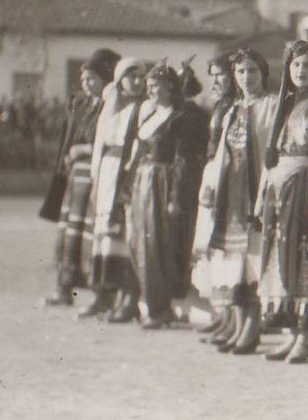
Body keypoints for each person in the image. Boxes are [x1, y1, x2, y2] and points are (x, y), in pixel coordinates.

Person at [258, 40, 308, 364]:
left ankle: (306, 336)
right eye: (295, 65)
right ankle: (291, 333)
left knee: (306, 258)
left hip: (306, 184)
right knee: (282, 257)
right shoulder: (287, 104)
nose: (301, 71)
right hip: (280, 185)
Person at [192, 48, 276, 354]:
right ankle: (238, 324)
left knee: (252, 260)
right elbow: (223, 154)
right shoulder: (234, 109)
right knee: (233, 261)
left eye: (252, 71)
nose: (246, 77)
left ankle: (252, 327)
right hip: (232, 191)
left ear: (263, 73)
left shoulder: (272, 105)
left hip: (256, 190)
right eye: (240, 72)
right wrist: (212, 185)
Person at [125, 63, 209, 328]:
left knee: (157, 245)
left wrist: (175, 196)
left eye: (155, 85)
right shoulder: (150, 115)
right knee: (139, 241)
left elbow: (184, 160)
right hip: (143, 182)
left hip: (163, 183)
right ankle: (149, 302)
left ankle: (160, 306)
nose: (149, 90)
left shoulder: (179, 118)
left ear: (170, 86)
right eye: (148, 85)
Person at [45, 48, 119, 306]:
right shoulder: (82, 105)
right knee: (69, 233)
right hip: (75, 178)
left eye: (92, 79)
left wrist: (84, 150)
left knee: (90, 234)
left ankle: (100, 293)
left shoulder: (113, 106)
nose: (87, 84)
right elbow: (70, 136)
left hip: (95, 176)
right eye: (84, 79)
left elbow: (108, 141)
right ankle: (64, 290)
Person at [84, 57, 147, 323]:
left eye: (140, 77)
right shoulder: (110, 110)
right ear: (119, 82)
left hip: (127, 173)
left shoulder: (144, 109)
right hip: (107, 174)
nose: (136, 82)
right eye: (130, 77)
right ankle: (104, 294)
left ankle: (128, 295)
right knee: (105, 236)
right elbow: (99, 145)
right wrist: (96, 178)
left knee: (124, 236)